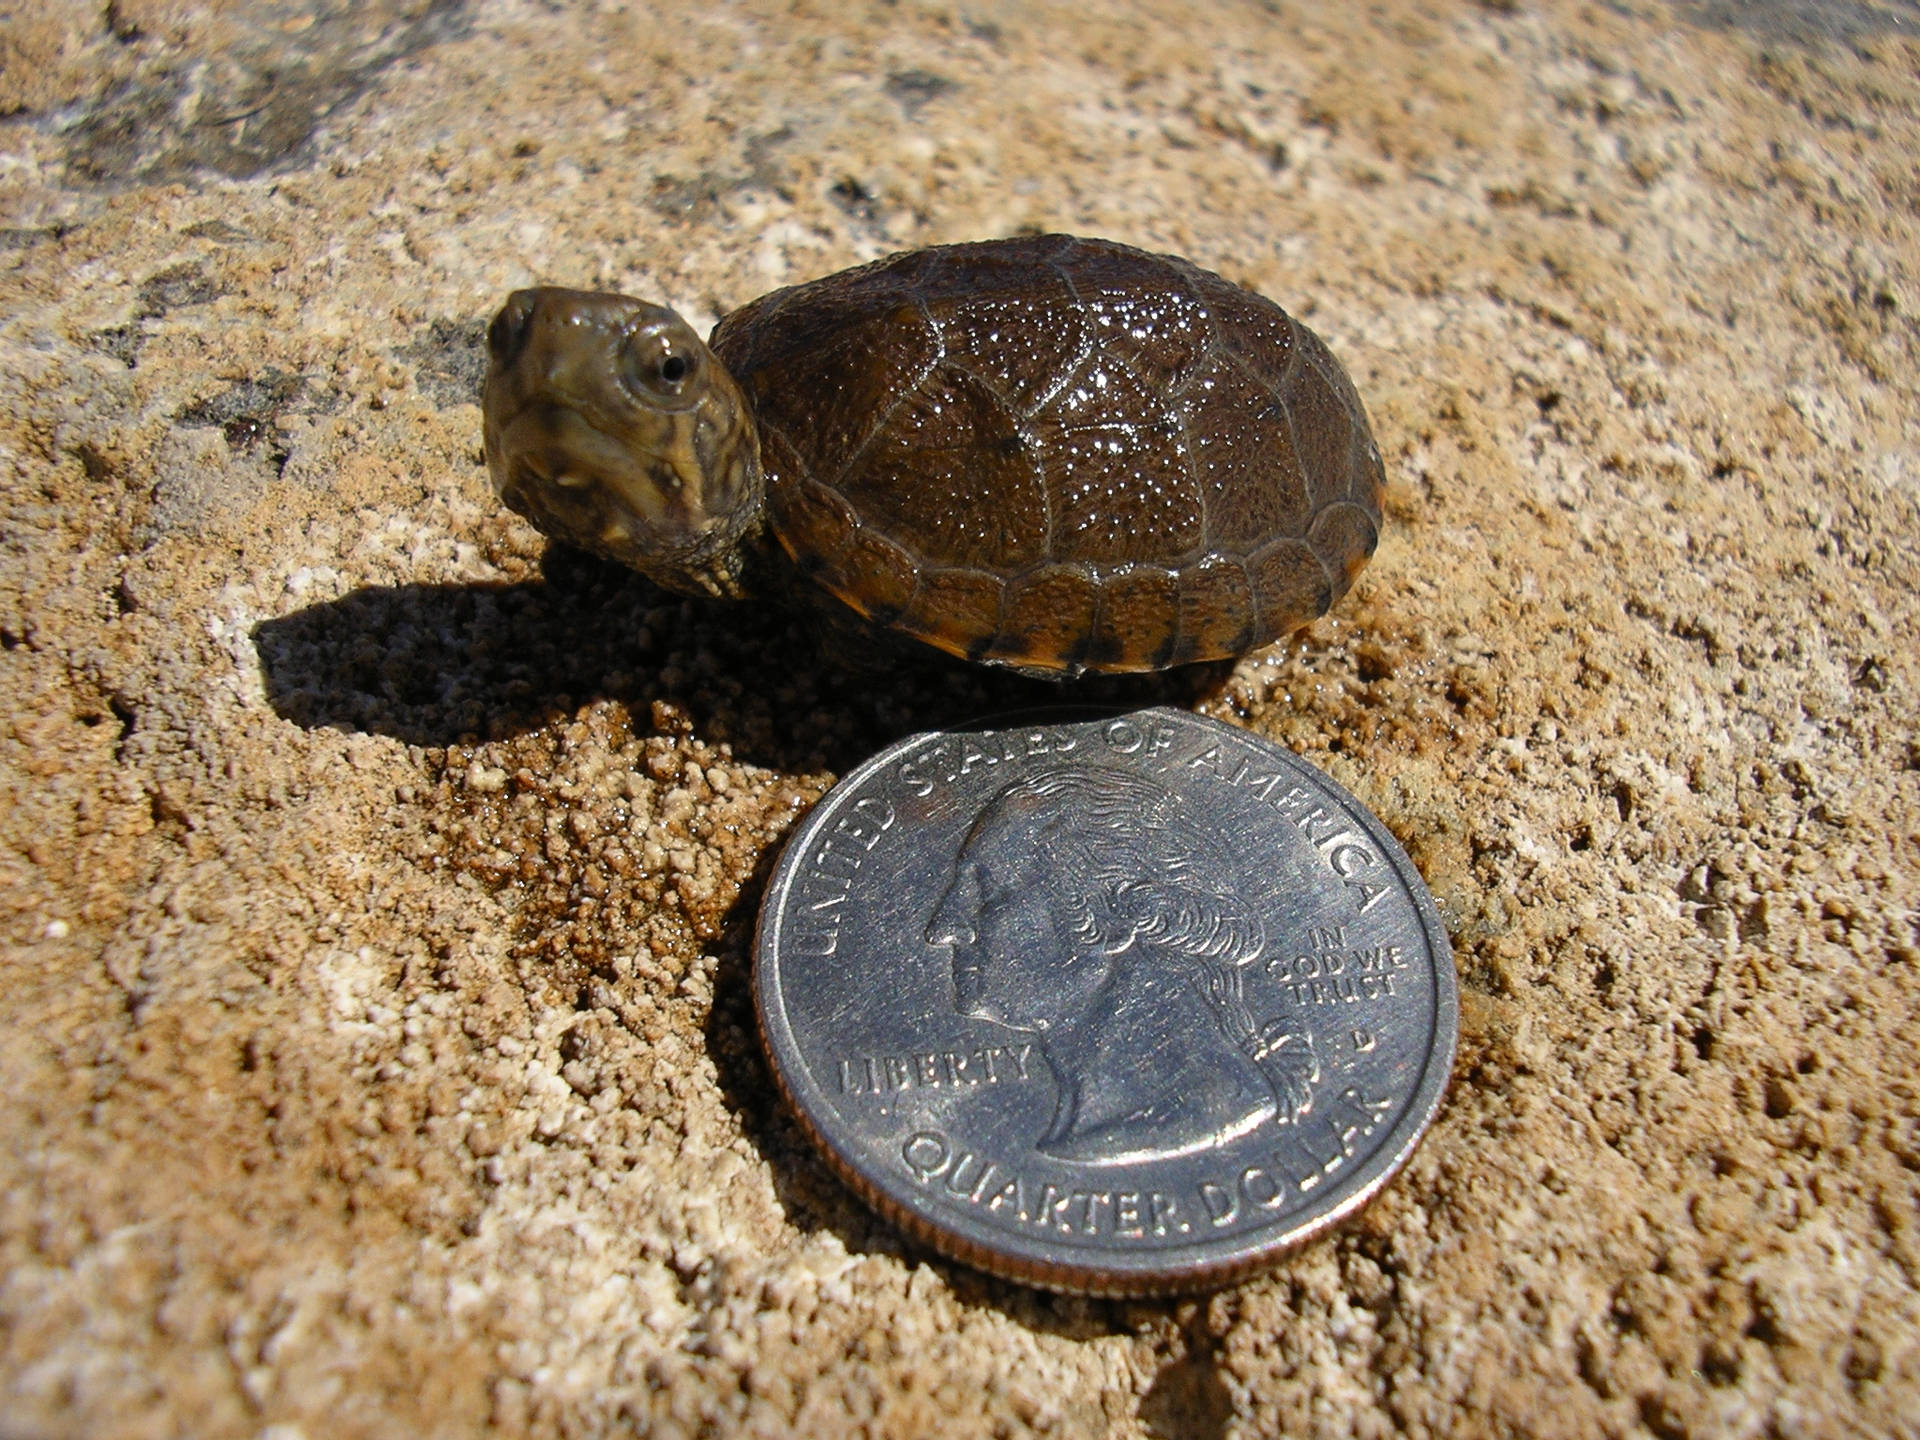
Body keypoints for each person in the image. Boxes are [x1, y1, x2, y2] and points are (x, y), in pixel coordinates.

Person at [925, 765, 1317, 1166]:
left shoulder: (1184, 1119)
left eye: (988, 889)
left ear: (1107, 911)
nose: (943, 929)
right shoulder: (1089, 1126)